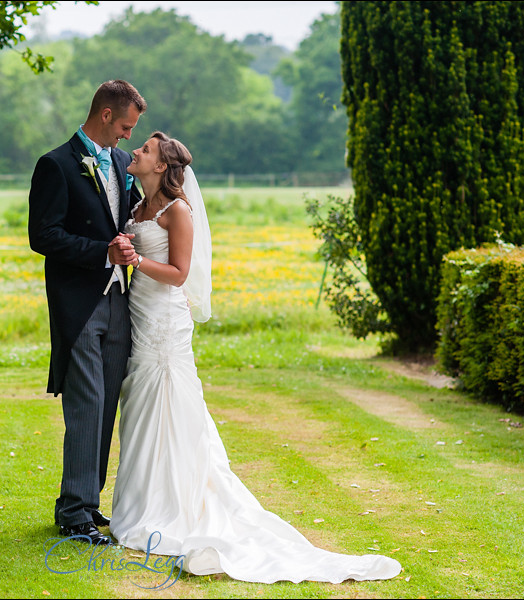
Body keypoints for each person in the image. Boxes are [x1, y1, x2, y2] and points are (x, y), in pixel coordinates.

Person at [109, 131, 403, 583]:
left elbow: (180, 273)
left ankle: (174, 506)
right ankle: (143, 499)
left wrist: (135, 262)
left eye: (145, 150)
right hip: (141, 317)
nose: (136, 152)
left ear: (162, 166)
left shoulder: (179, 212)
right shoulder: (136, 208)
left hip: (166, 323)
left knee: (168, 403)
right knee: (141, 408)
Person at [28, 80, 147, 546]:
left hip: (121, 301)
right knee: (86, 405)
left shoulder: (121, 163)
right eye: (123, 126)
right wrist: (103, 252)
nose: (126, 136)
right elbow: (44, 236)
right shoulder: (55, 165)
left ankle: (86, 502)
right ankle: (73, 513)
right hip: (79, 305)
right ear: (104, 115)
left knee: (107, 404)